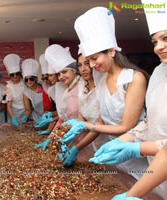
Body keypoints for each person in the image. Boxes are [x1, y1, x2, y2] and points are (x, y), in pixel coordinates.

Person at [91, 1, 167, 199]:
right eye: (154, 42)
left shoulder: (135, 78)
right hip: (157, 172)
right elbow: (149, 122)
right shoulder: (160, 73)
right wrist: (124, 142)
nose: (159, 47)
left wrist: (135, 148)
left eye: (165, 38)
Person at [65, 6, 149, 180]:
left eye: (95, 58)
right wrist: (77, 147)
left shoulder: (134, 78)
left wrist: (87, 126)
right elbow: (103, 117)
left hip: (136, 153)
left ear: (111, 51)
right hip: (113, 152)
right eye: (89, 60)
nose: (92, 65)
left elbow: (126, 127)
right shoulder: (100, 77)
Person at [34, 44, 80, 151]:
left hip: (83, 139)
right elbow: (62, 119)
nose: (61, 76)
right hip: (70, 137)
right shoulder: (67, 91)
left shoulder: (82, 88)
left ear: (73, 70)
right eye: (59, 73)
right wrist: (50, 138)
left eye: (64, 72)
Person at [21, 58, 52, 123]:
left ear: (36, 78)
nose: (29, 81)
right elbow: (28, 110)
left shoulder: (44, 86)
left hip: (50, 116)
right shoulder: (26, 93)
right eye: (26, 79)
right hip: (36, 118)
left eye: (31, 78)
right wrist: (24, 117)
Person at [3, 53, 25, 127]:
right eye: (12, 74)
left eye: (17, 74)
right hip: (13, 112)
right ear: (10, 75)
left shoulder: (25, 83)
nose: (15, 76)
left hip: (26, 112)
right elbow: (8, 106)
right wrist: (13, 118)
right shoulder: (8, 86)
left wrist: (26, 115)